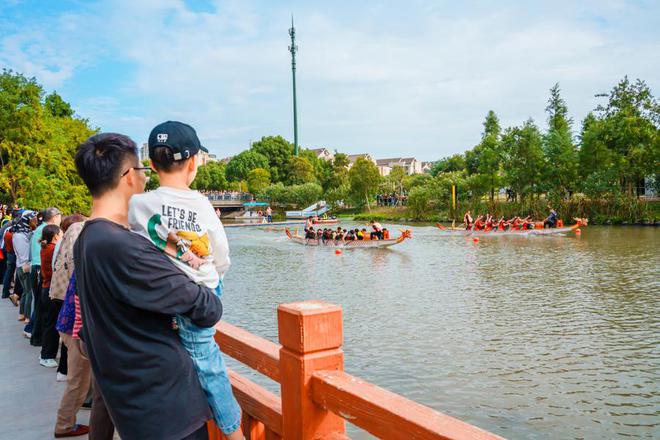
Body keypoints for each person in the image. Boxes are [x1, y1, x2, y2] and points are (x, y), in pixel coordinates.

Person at [74, 132, 224, 440]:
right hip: (166, 411)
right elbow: (207, 307)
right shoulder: (124, 248)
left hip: (134, 404)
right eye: (142, 170)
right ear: (129, 177)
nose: (146, 178)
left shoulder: (88, 238)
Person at [128, 122, 243, 439]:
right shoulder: (203, 205)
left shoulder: (138, 204)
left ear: (151, 164)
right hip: (199, 293)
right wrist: (215, 278)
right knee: (208, 363)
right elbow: (222, 254)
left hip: (161, 298)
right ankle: (234, 432)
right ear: (193, 162)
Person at [52, 214, 90, 438]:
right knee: (77, 382)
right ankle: (64, 426)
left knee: (82, 381)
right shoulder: (86, 267)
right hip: (75, 329)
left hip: (68, 325)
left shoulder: (79, 261)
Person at [29, 207, 62, 347]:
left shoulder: (42, 230)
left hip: (38, 269)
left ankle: (35, 334)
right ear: (54, 217)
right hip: (40, 270)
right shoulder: (48, 231)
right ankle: (36, 337)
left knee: (40, 306)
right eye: (60, 216)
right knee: (41, 307)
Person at [13, 210, 36, 326]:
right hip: (24, 266)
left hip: (20, 266)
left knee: (25, 292)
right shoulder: (20, 236)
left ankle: (22, 314)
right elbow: (24, 254)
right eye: (32, 220)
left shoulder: (20, 234)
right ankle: (27, 316)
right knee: (28, 293)